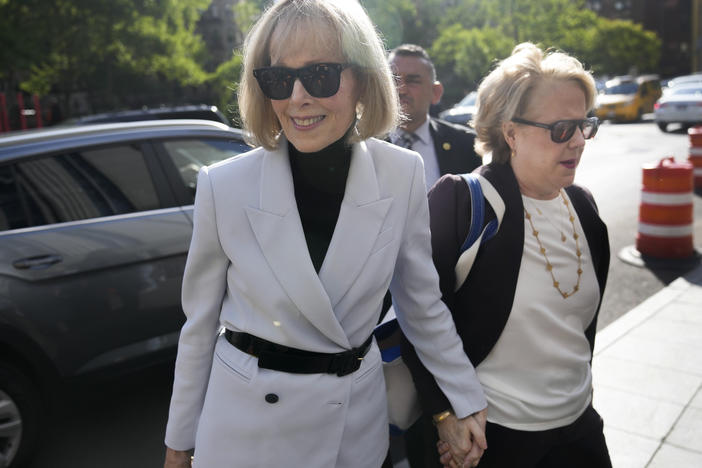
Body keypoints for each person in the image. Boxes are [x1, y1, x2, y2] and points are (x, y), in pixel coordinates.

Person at [163, 1, 488, 467]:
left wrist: (464, 397)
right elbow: (198, 328)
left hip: (354, 429)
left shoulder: (401, 173)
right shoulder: (224, 185)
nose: (297, 97)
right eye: (278, 79)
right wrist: (179, 443)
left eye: (320, 75)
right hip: (246, 434)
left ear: (362, 79)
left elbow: (420, 303)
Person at [401, 42, 612, 468]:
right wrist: (445, 412)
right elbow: (415, 314)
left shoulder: (584, 207)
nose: (577, 142)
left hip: (581, 430)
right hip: (494, 442)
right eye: (560, 129)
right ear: (510, 132)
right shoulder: (462, 202)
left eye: (584, 125)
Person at [388, 44, 482, 189]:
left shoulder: (468, 146)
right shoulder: (361, 144)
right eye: (393, 80)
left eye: (413, 81)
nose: (401, 90)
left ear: (435, 92)